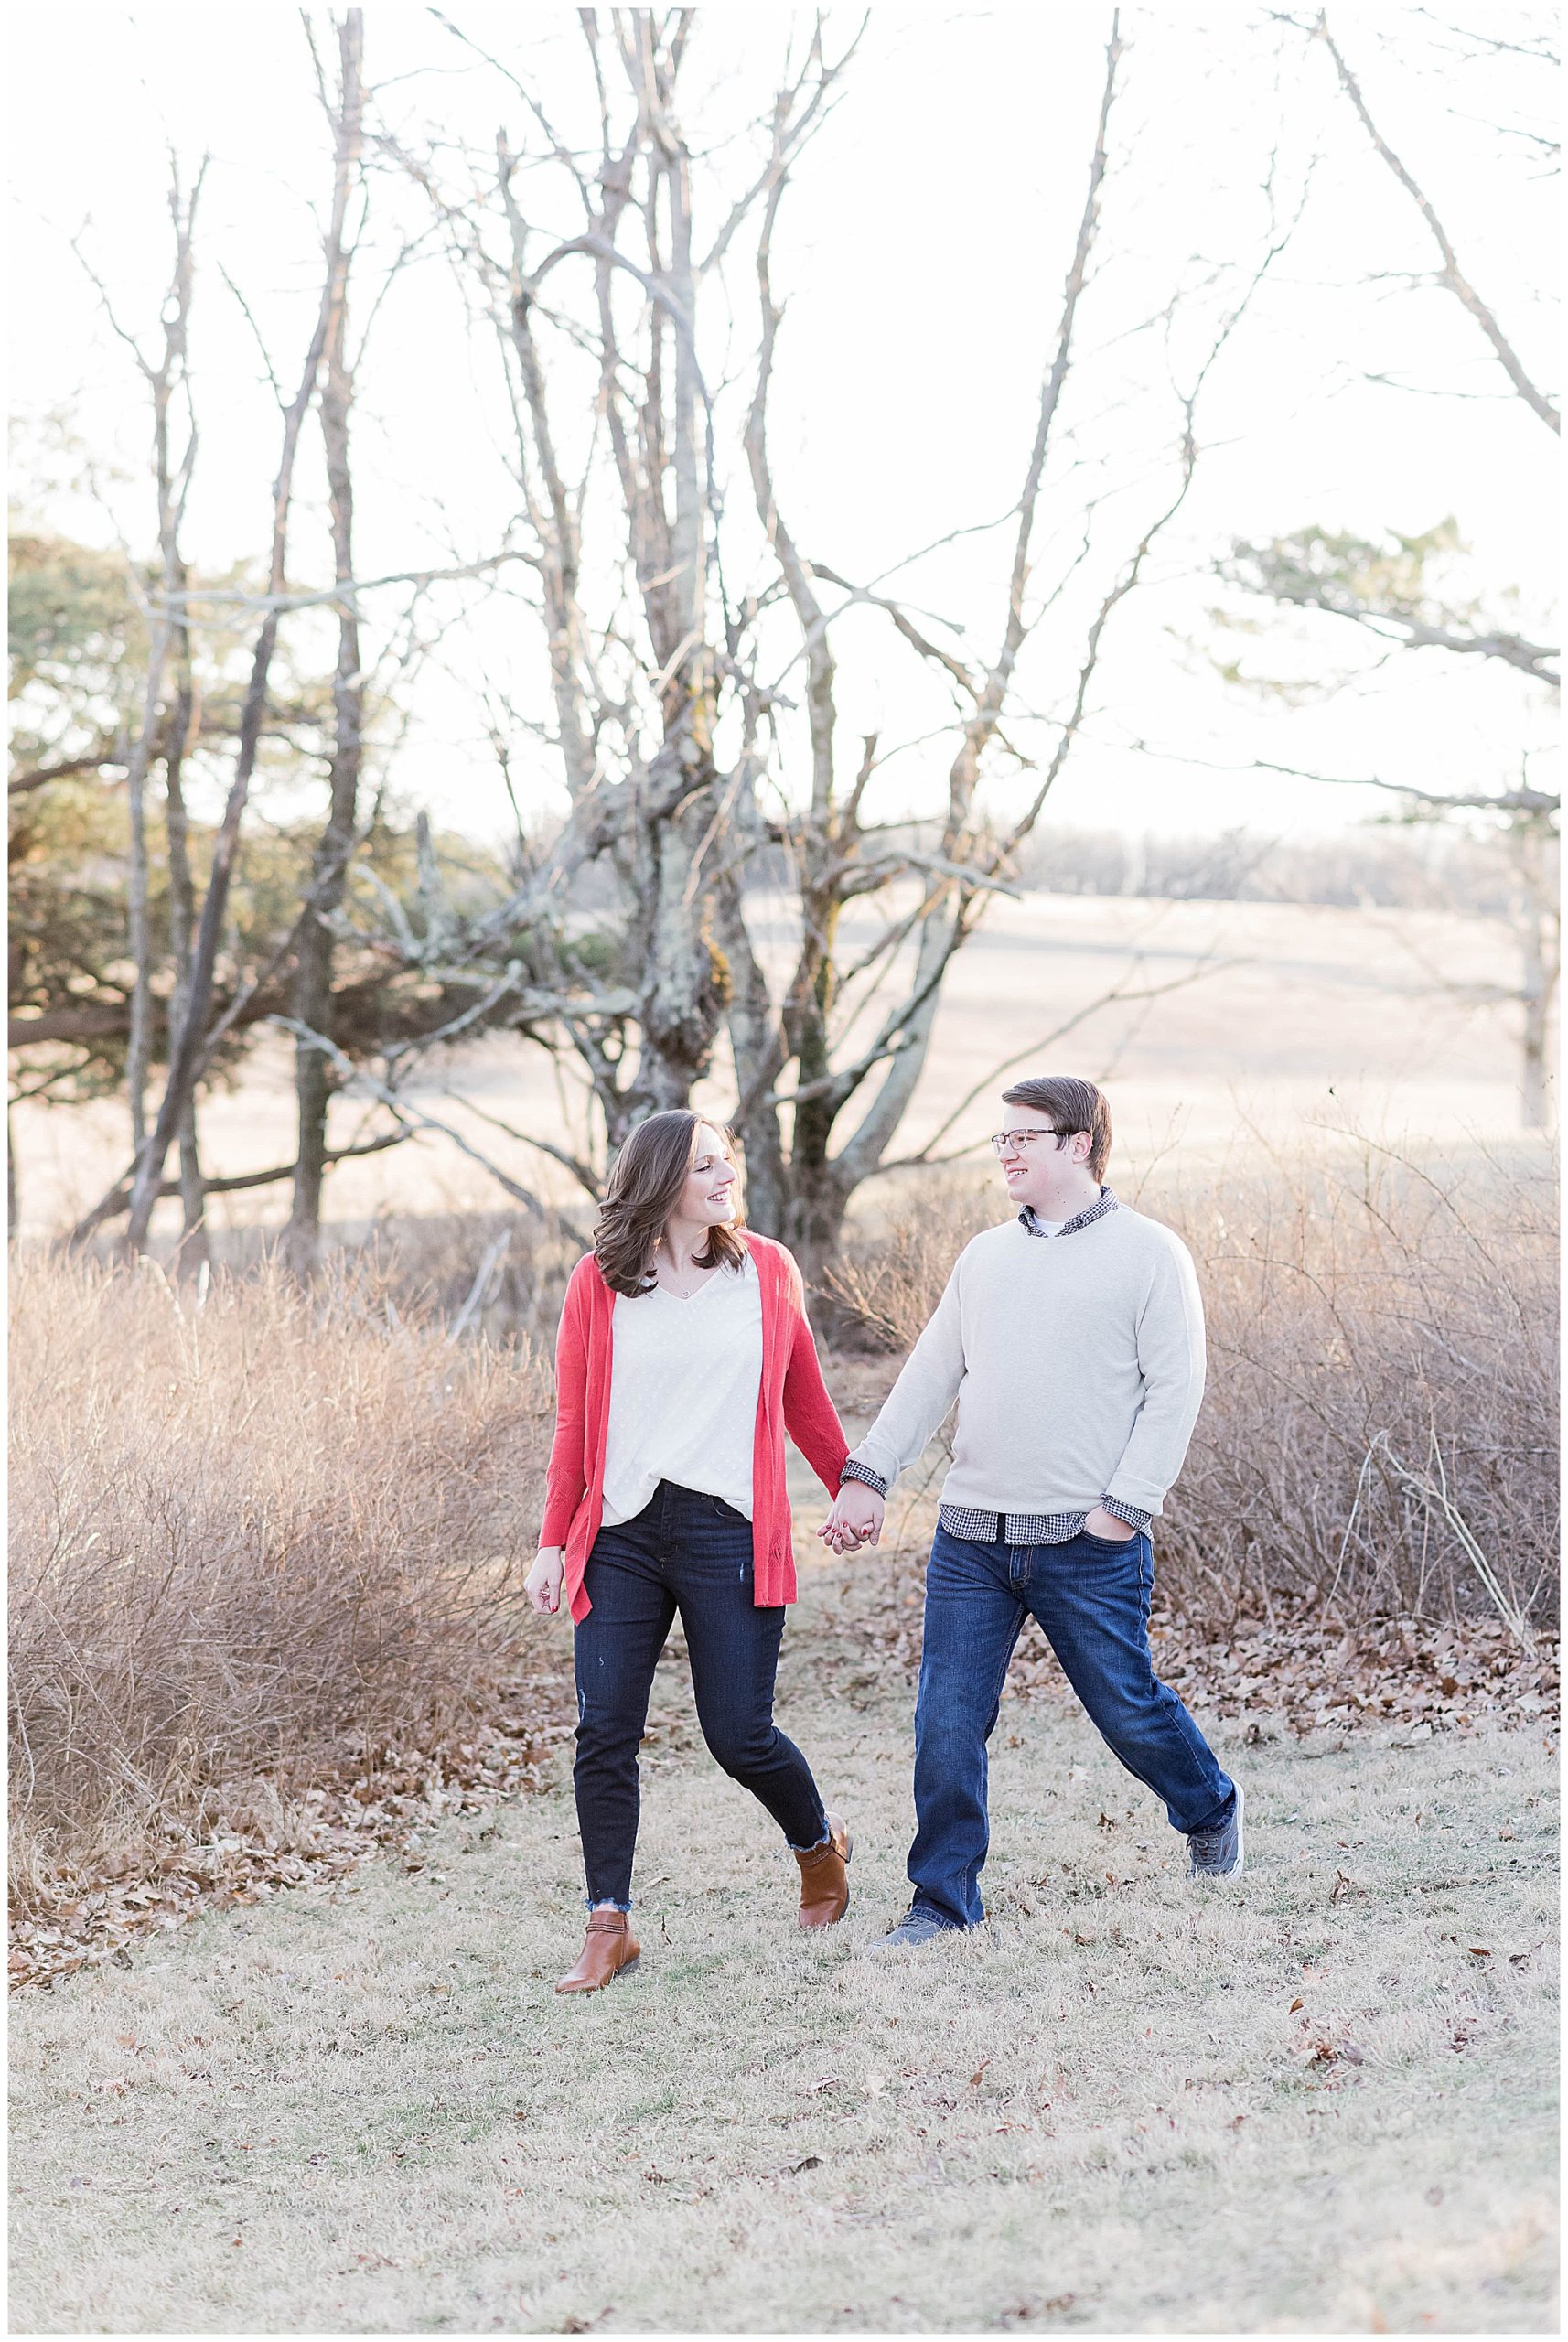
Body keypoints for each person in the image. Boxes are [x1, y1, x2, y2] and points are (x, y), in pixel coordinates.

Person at [820, 1075, 1243, 1952]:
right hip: (971, 1538)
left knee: (1126, 1707)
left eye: (1024, 1136)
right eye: (1000, 1138)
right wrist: (868, 1474)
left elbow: (1176, 1392)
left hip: (1087, 1540)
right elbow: (930, 1376)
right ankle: (941, 1902)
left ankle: (1209, 1808)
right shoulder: (985, 1258)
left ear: (1079, 1143)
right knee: (944, 1721)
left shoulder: (1150, 1254)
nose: (1005, 1151)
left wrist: (1125, 1508)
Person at [526, 1109, 858, 1993]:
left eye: (726, 1161)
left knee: (739, 1734)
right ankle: (608, 1924)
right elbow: (572, 1422)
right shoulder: (597, 1284)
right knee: (604, 1732)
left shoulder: (768, 1272)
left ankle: (818, 1850)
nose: (725, 1176)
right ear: (663, 1180)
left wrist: (849, 1488)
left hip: (731, 1529)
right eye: (705, 1165)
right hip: (622, 1535)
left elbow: (804, 1398)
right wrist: (552, 1542)